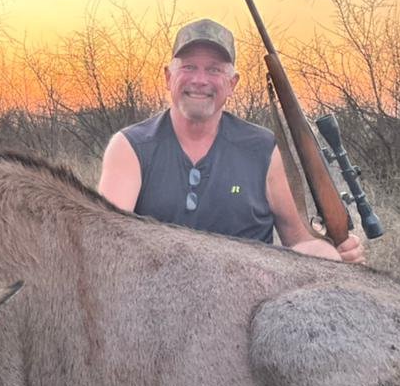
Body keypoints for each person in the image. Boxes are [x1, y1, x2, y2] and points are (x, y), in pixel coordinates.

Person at [98, 18, 365, 263]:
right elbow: (108, 241)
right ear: (169, 77)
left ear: (232, 83)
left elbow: (299, 240)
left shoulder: (263, 148)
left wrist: (332, 256)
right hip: (159, 302)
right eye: (189, 67)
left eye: (214, 69)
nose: (200, 80)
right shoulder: (129, 147)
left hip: (251, 305)